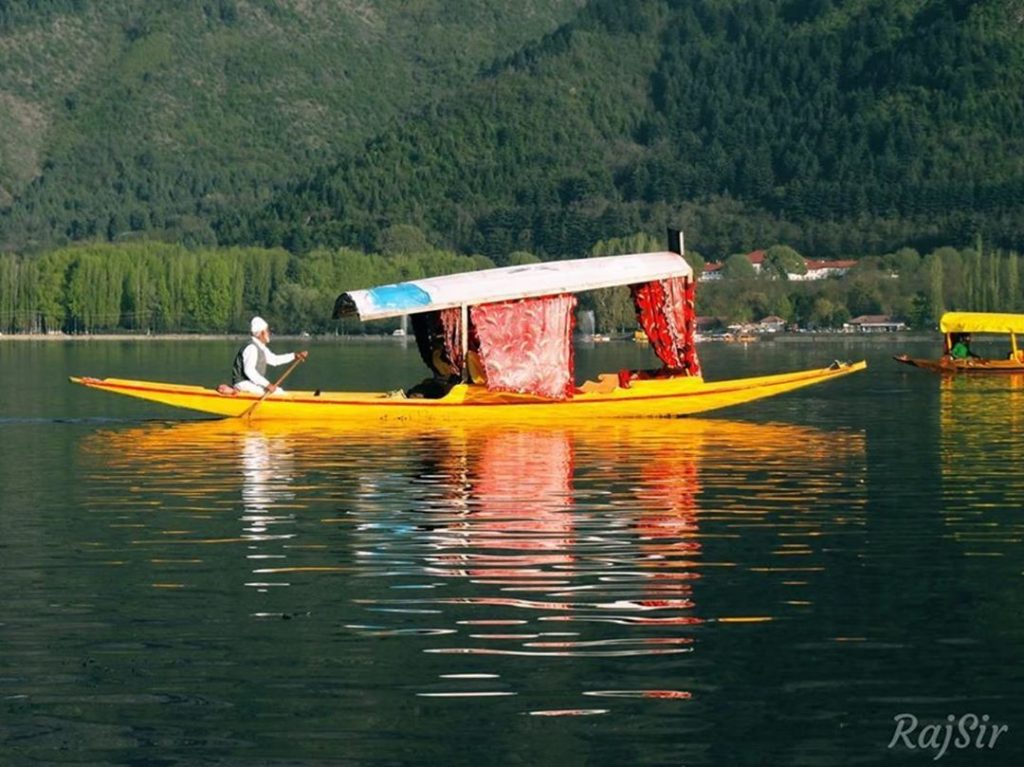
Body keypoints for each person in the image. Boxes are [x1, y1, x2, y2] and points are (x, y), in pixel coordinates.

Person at [232, 316, 308, 395]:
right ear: (261, 333)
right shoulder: (252, 348)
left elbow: (274, 360)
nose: (269, 333)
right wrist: (267, 385)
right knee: (278, 393)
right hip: (243, 384)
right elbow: (249, 371)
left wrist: (294, 356)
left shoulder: (261, 347)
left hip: (251, 383)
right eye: (267, 331)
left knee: (279, 391)